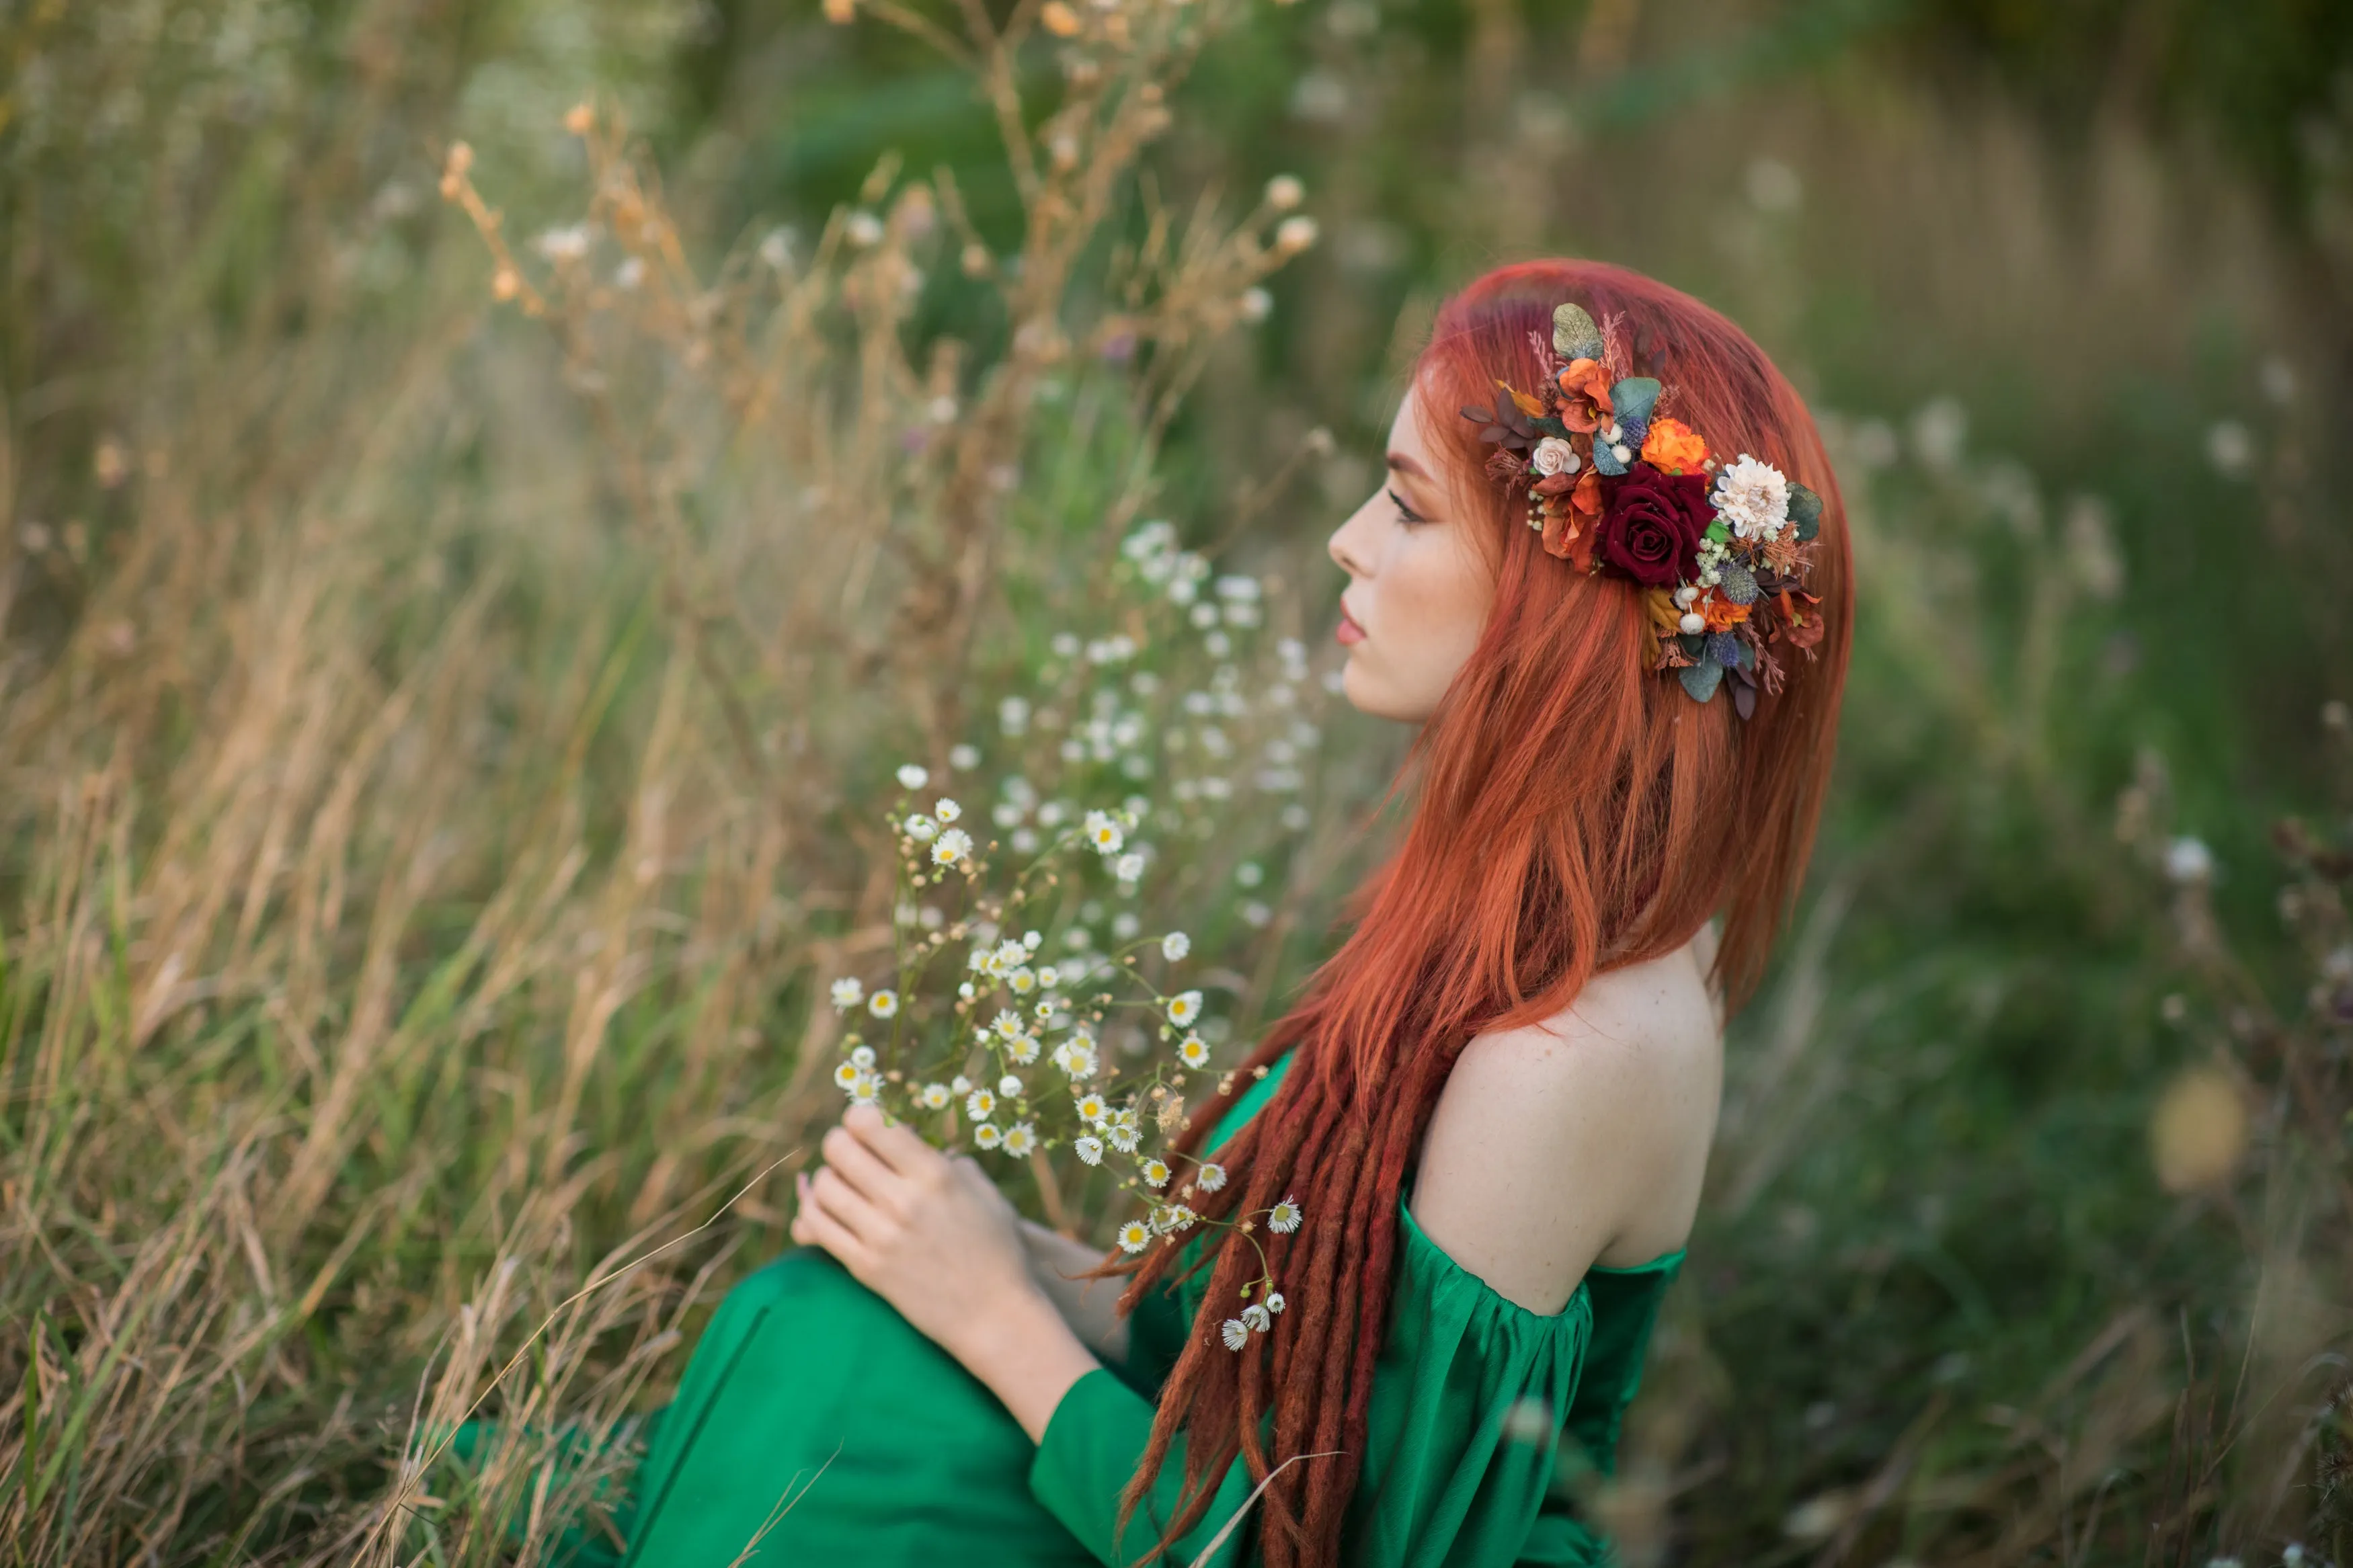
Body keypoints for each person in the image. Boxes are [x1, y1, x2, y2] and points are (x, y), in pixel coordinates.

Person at [491, 257, 1851, 1567]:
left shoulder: (1560, 1062)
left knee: (827, 1372)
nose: (1347, 540)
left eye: (1409, 507)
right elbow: (1308, 1360)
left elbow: (1313, 1544)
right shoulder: (1541, 926)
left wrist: (993, 1313)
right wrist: (1007, 1249)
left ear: (1557, 600)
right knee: (822, 1329)